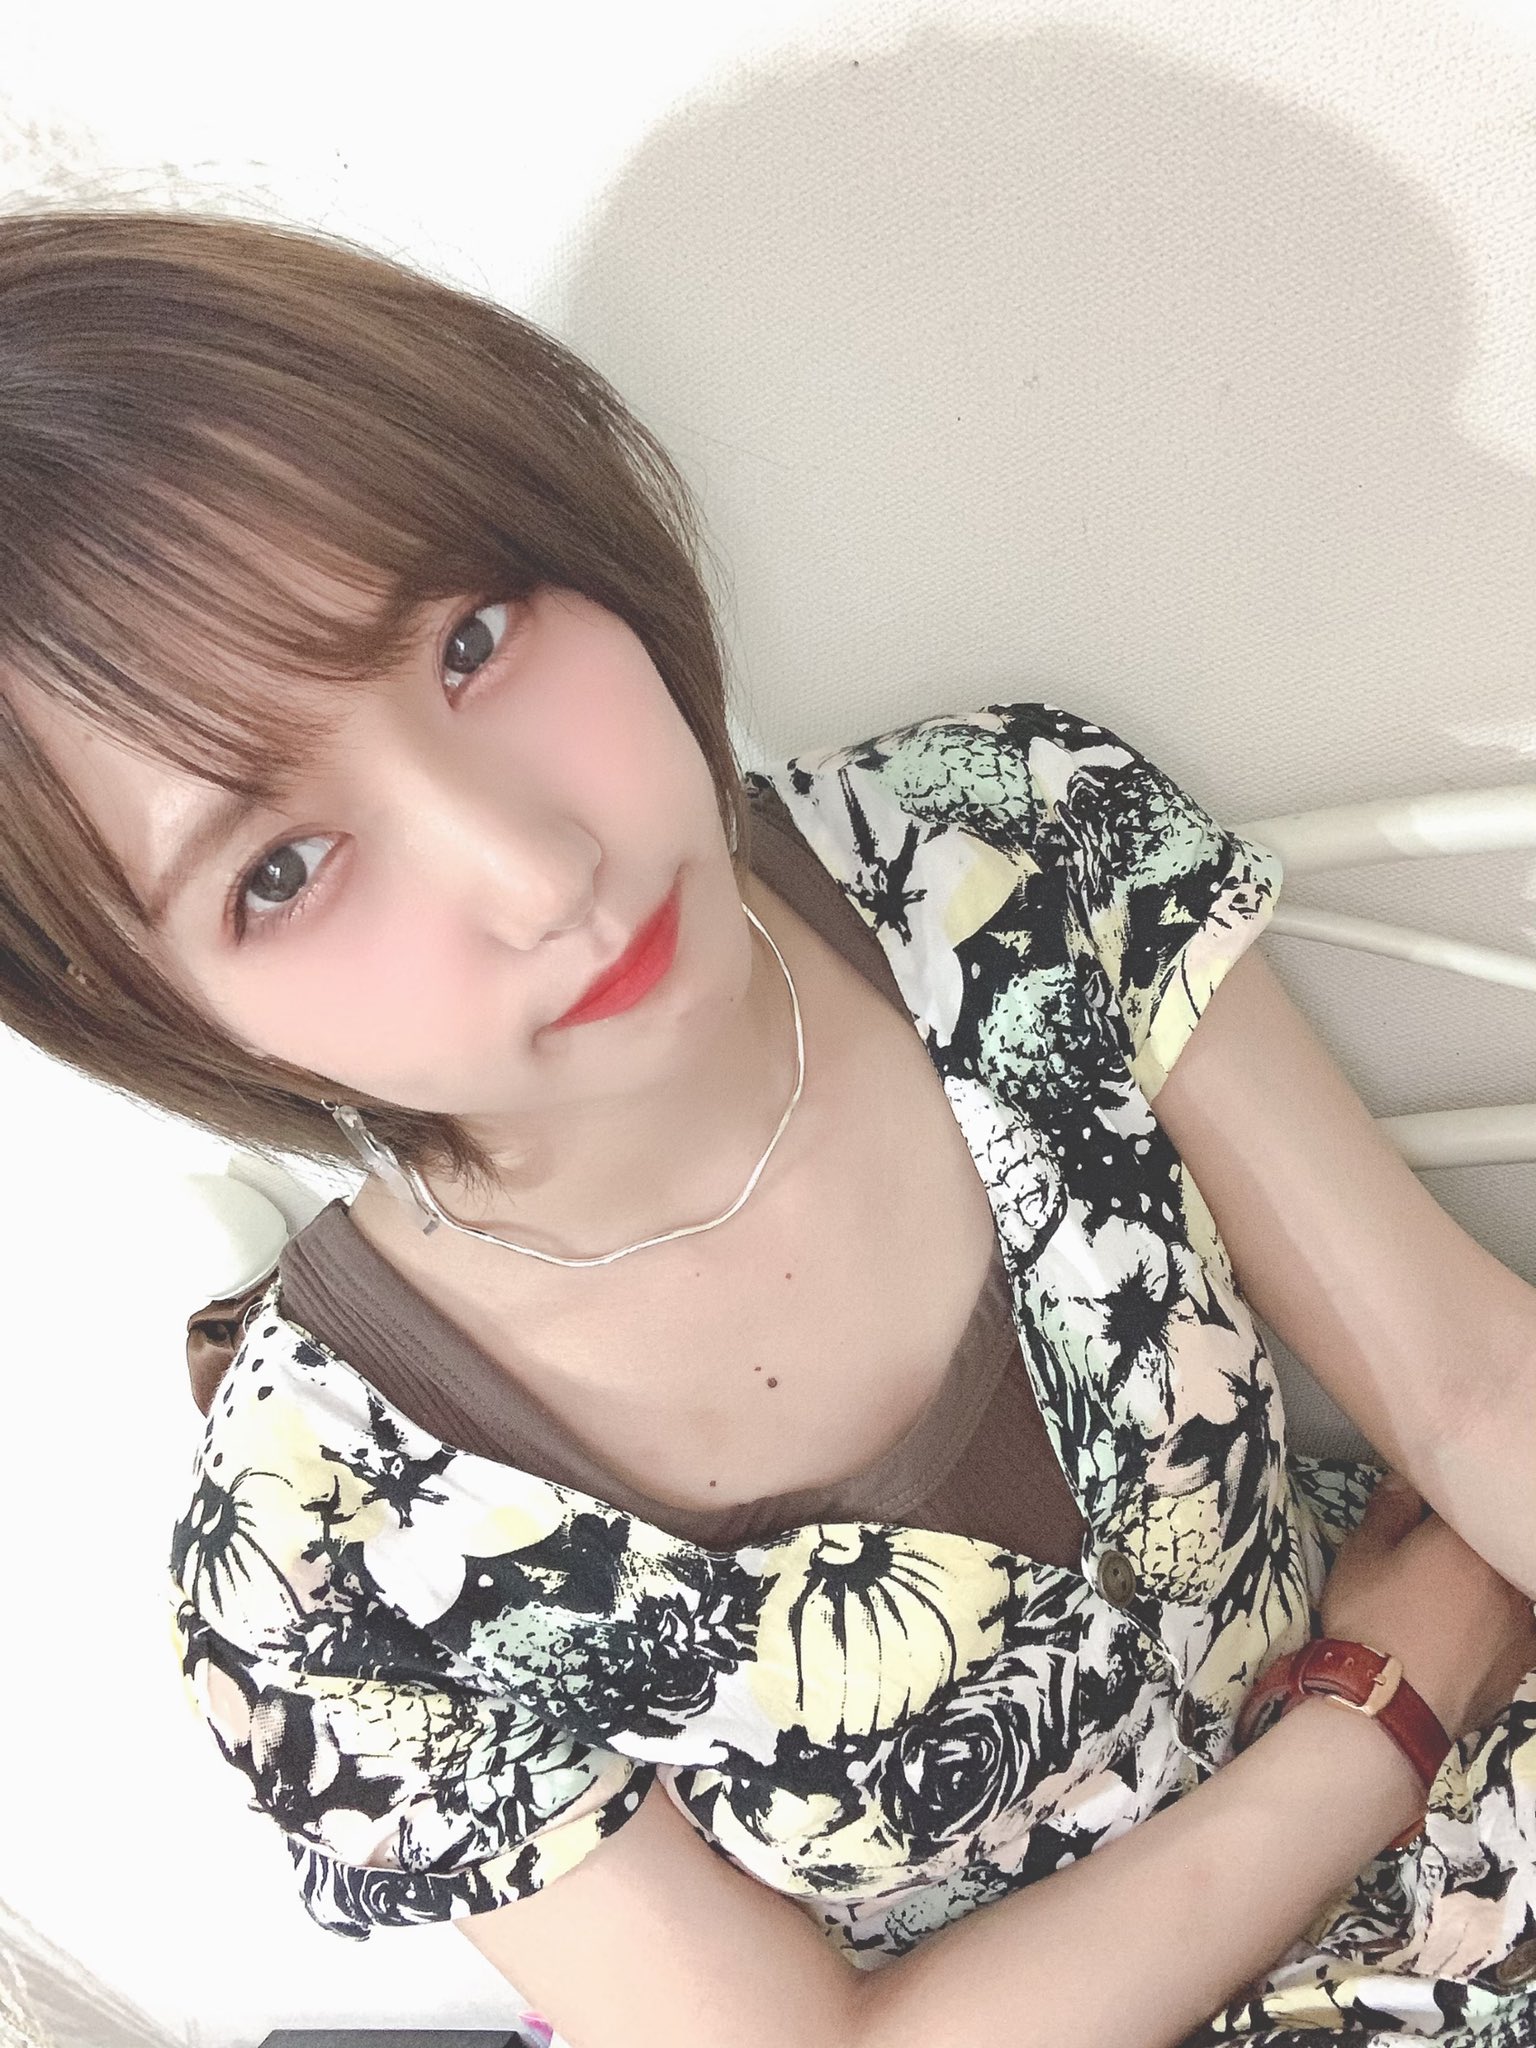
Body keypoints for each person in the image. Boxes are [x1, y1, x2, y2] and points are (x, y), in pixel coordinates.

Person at [0, 207, 1532, 2048]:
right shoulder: (313, 1559)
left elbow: (1469, 1389)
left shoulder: (997, 849)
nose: (537, 869)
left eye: (473, 638)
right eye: (283, 869)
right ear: (154, 1005)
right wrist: (1373, 1720)